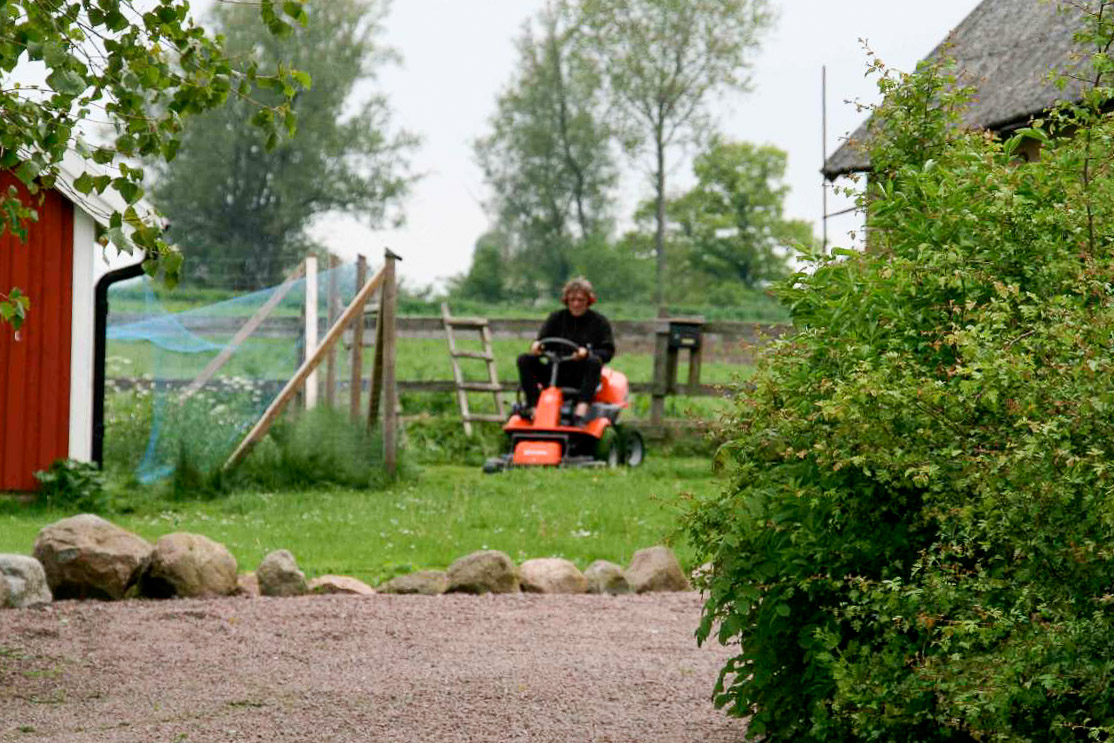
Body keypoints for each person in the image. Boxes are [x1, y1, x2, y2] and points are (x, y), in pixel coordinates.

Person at [516, 276, 616, 423]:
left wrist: (587, 353)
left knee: (594, 361)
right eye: (572, 300)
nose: (576, 304)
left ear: (588, 301)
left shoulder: (600, 322)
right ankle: (533, 408)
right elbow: (542, 340)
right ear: (566, 301)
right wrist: (537, 346)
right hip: (554, 372)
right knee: (524, 359)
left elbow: (608, 351)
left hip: (581, 375)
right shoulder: (556, 318)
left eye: (580, 300)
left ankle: (581, 411)